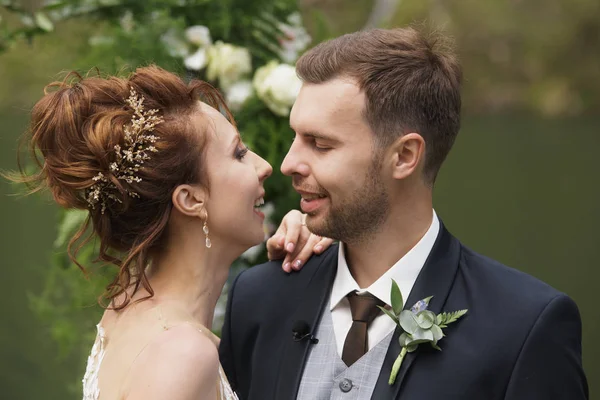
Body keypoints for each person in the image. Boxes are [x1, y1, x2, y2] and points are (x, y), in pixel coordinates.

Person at [219, 27, 589, 399]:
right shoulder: (258, 299)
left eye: (320, 144)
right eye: (295, 137)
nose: (288, 163)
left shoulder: (524, 328)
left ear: (405, 156)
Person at [7, 65, 329, 400]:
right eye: (239, 154)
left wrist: (322, 239)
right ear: (191, 199)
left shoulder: (132, 305)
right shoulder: (182, 355)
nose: (264, 166)